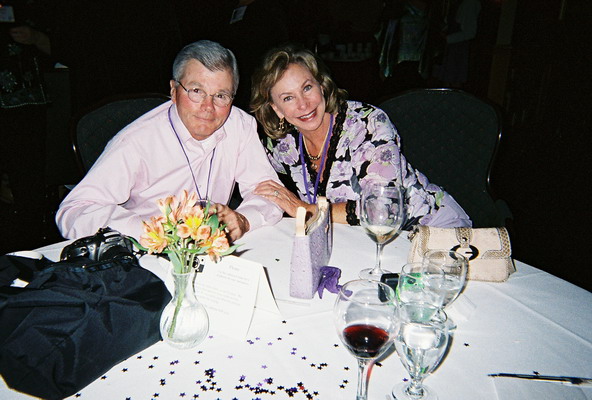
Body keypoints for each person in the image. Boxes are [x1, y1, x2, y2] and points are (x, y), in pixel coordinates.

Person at [56, 40, 283, 241]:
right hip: (148, 251)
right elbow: (73, 212)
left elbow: (270, 191)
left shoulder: (239, 125)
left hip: (213, 249)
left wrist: (244, 219)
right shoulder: (136, 141)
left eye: (221, 96)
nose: (208, 107)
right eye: (196, 91)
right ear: (174, 91)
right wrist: (148, 230)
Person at [251, 44, 471, 229]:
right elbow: (253, 177)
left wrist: (308, 210)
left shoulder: (368, 124)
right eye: (288, 98)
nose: (303, 104)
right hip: (356, 241)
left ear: (321, 85)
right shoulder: (283, 145)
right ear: (276, 109)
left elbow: (382, 209)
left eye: (307, 88)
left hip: (428, 230)